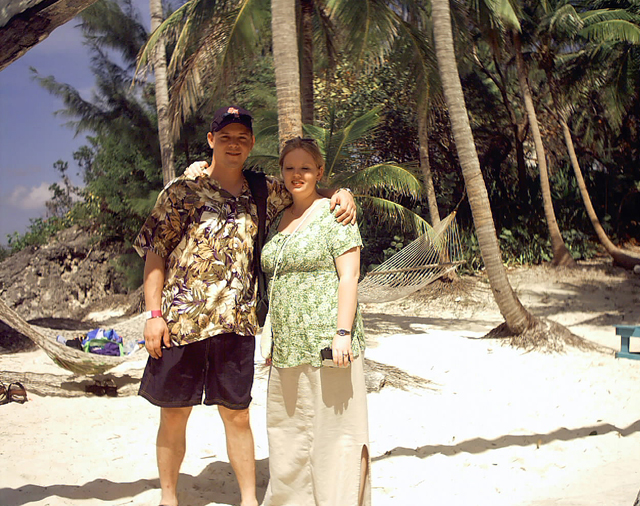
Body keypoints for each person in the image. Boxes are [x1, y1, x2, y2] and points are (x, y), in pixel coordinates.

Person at [133, 106, 356, 506]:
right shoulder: (181, 192)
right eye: (225, 136)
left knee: (237, 414)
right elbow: (155, 255)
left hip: (237, 325)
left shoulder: (263, 190)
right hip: (180, 322)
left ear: (251, 144)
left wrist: (342, 194)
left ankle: (249, 500)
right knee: (173, 413)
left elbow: (306, 187)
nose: (233, 144)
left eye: (241, 138)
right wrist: (153, 316)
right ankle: (169, 498)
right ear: (211, 140)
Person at [260, 137, 370, 506]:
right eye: (289, 168)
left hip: (327, 343)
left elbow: (349, 276)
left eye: (305, 168)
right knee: (287, 433)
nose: (297, 175)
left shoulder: (335, 213)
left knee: (334, 436)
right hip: (287, 347)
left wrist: (342, 333)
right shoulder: (279, 216)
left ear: (319, 171)